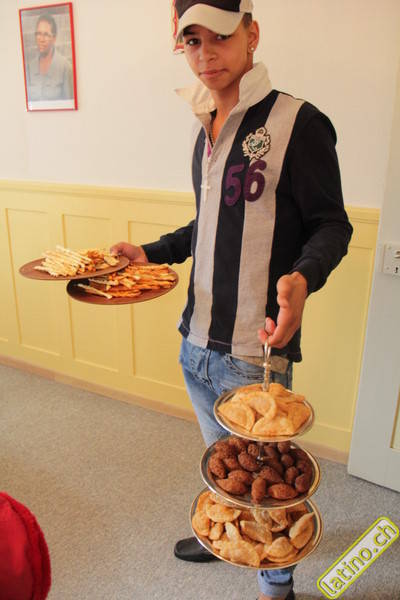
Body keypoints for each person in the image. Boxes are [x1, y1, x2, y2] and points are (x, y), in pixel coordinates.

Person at [112, 1, 353, 598]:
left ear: (252, 34)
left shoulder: (299, 123)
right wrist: (152, 251)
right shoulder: (207, 126)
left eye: (218, 36)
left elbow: (332, 224)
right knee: (226, 463)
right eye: (191, 41)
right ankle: (227, 524)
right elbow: (212, 224)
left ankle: (277, 583)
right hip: (196, 339)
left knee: (268, 479)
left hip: (254, 352)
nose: (204, 54)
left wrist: (303, 278)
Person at [26, 13, 73, 102]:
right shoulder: (29, 67)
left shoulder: (65, 67)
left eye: (46, 34)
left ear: (54, 38)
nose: (41, 39)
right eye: (38, 34)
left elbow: (70, 104)